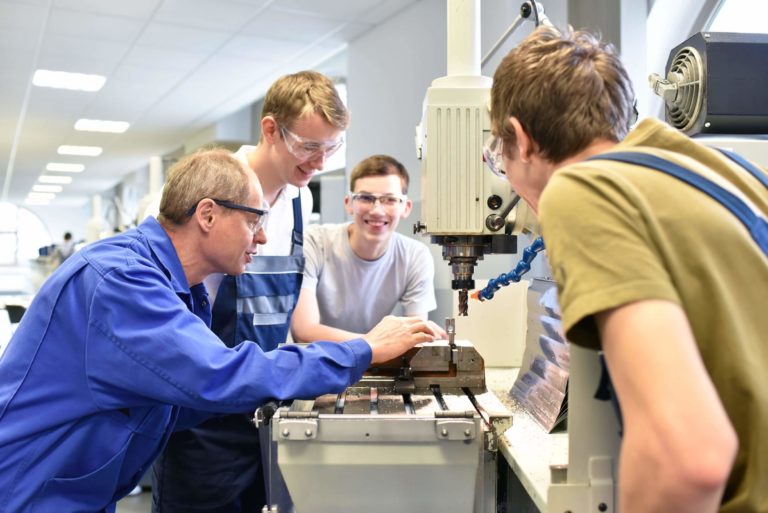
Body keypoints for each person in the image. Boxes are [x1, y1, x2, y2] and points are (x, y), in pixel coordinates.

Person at [0, 149, 440, 513]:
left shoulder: (177, 286)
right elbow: (216, 375)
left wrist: (300, 388)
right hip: (31, 490)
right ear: (207, 215)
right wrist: (360, 350)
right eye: (253, 221)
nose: (263, 238)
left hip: (75, 488)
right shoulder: (122, 281)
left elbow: (181, 398)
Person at [487, 26, 768, 513]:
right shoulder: (729, 171)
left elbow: (689, 458)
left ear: (520, 139)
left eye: (500, 157)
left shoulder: (582, 190)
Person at [152, 71, 349, 513]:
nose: (318, 162)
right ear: (270, 130)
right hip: (202, 427)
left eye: (330, 148)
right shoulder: (207, 188)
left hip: (268, 414)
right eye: (308, 146)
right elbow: (167, 315)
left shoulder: (301, 199)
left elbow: (292, 318)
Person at [291, 154, 439, 342]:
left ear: (406, 207)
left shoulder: (415, 256)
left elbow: (414, 337)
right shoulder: (314, 242)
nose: (377, 210)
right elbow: (304, 331)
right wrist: (381, 343)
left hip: (378, 363)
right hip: (320, 362)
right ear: (349, 203)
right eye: (365, 198)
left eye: (389, 200)